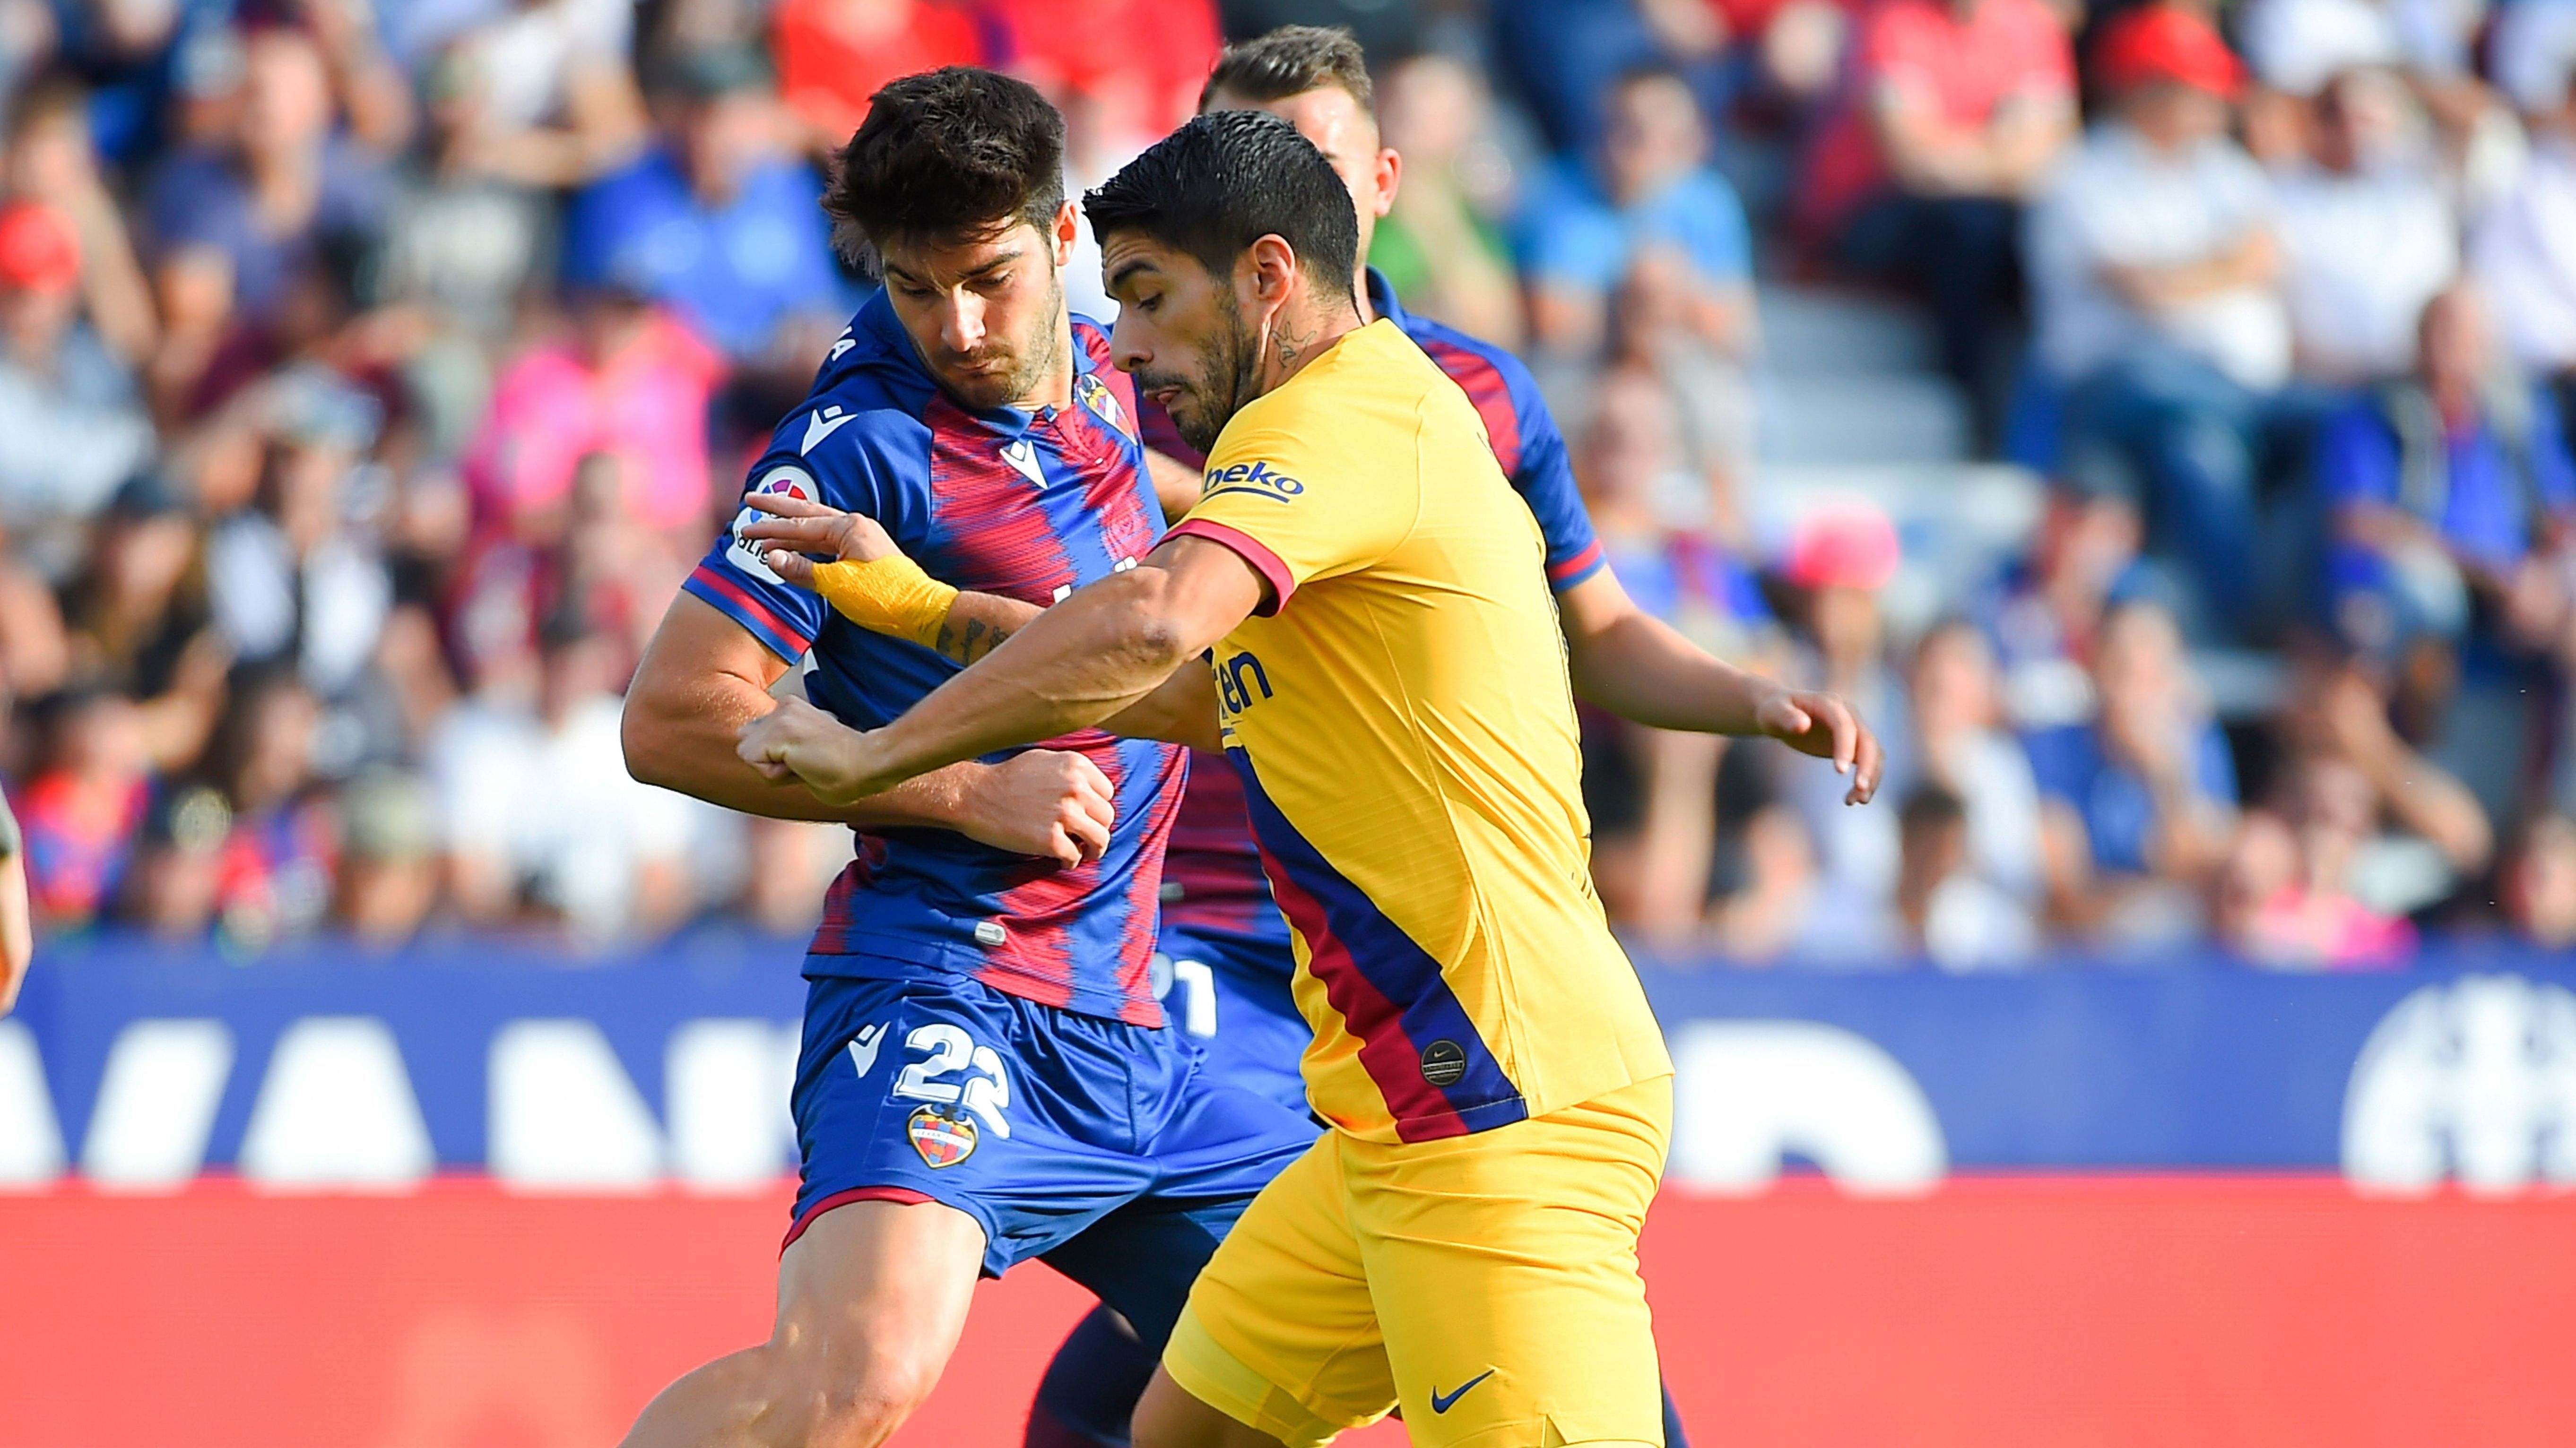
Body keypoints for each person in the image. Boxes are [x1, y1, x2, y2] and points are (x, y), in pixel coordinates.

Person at [733, 107, 1878, 1448]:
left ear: (1270, 275)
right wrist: (928, 607)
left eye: (1151, 299)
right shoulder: (1343, 451)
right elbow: (1183, 695)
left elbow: (1154, 617)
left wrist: (875, 752)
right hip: (1382, 1125)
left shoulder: (1336, 427)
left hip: (1496, 1110)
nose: (1130, 348)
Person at [613, 69, 1316, 1448]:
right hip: (952, 992)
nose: (959, 327)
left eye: (988, 279)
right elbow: (674, 715)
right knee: (851, 1387)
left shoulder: (1115, 361)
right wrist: (957, 787)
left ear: (1064, 238)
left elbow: (1122, 514)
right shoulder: (856, 448)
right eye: (917, 288)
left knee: (1310, 1375)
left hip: (1134, 1023)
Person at [2028, 4, 2290, 630]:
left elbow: (2265, 257)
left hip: (2216, 388)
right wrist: (2221, 267)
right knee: (2200, 436)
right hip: (2109, 388)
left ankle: (2262, 623)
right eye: (2196, 89)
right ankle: (2245, 621)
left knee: (2206, 452)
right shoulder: (2082, 175)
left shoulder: (2225, 171)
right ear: (2148, 92)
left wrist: (2192, 275)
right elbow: (2142, 290)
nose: (2215, 105)